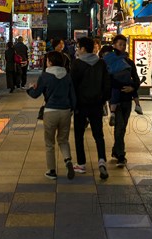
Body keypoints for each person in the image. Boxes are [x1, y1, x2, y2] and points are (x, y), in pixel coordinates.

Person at [26, 51, 76, 180]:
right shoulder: (67, 76)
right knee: (63, 140)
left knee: (49, 143)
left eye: (47, 60)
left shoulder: (45, 76)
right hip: (65, 111)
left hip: (50, 112)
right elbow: (73, 96)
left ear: (51, 62)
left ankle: (51, 171)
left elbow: (36, 94)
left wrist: (30, 88)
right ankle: (68, 160)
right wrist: (72, 110)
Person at [70, 36, 111, 180]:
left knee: (79, 135)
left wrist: (72, 104)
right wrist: (103, 100)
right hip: (96, 104)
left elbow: (72, 85)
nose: (77, 49)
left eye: (78, 47)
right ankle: (101, 160)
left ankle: (81, 164)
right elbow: (107, 84)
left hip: (81, 105)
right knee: (98, 134)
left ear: (82, 48)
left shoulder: (77, 64)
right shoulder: (100, 63)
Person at [109, 34, 141, 167]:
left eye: (124, 44)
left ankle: (116, 150)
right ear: (114, 46)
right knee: (119, 126)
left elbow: (137, 79)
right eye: (120, 44)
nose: (122, 47)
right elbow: (107, 80)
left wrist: (132, 87)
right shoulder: (110, 61)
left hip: (127, 98)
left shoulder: (129, 62)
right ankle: (121, 155)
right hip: (115, 99)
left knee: (122, 127)